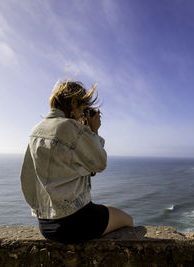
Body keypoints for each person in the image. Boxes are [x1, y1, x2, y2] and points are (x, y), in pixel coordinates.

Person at [20, 79, 133, 244]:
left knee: (106, 208)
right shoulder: (70, 128)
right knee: (128, 220)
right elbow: (100, 163)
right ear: (73, 102)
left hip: (46, 225)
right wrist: (93, 131)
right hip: (76, 222)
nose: (82, 114)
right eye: (82, 107)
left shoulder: (36, 130)